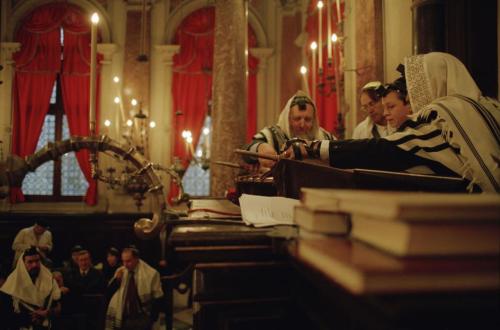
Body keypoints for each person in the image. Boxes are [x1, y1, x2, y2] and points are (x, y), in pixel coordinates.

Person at [284, 52, 499, 192]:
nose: (413, 98)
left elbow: (386, 149)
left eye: (416, 87)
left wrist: (312, 149)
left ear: (435, 82)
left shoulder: (445, 113)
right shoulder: (489, 106)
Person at [243, 90, 334, 168]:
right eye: (297, 119)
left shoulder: (325, 137)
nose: (302, 125)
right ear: (288, 118)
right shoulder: (272, 134)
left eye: (307, 119)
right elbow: (246, 151)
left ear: (314, 120)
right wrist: (260, 147)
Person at [0, 247, 61, 329]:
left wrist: (48, 313)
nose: (34, 265)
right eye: (30, 262)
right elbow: (6, 316)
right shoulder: (11, 285)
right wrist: (31, 318)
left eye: (37, 261)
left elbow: (58, 305)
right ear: (23, 263)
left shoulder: (49, 280)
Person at [105, 247, 164, 330]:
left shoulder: (151, 274)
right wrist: (117, 280)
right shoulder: (121, 271)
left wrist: (152, 319)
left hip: (143, 315)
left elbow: (158, 298)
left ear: (136, 259)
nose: (125, 264)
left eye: (128, 261)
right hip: (124, 315)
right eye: (123, 261)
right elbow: (109, 293)